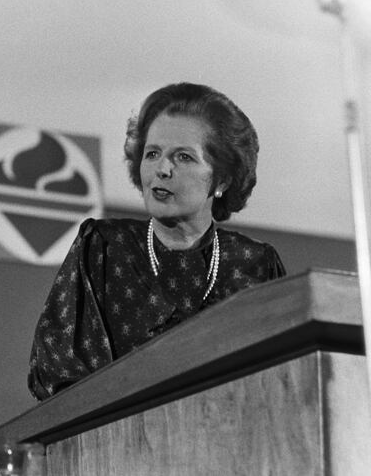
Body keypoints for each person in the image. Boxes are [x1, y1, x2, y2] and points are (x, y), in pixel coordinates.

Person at [27, 82, 286, 401]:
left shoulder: (256, 264)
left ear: (222, 178)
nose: (162, 169)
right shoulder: (104, 248)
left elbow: (279, 382)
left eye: (184, 157)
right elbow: (62, 378)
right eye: (152, 154)